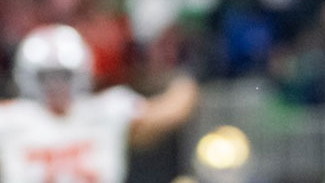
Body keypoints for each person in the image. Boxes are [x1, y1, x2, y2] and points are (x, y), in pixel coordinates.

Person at [0, 24, 199, 183]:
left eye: (63, 76)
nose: (56, 85)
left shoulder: (105, 111)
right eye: (47, 77)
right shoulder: (11, 119)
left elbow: (171, 112)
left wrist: (181, 78)